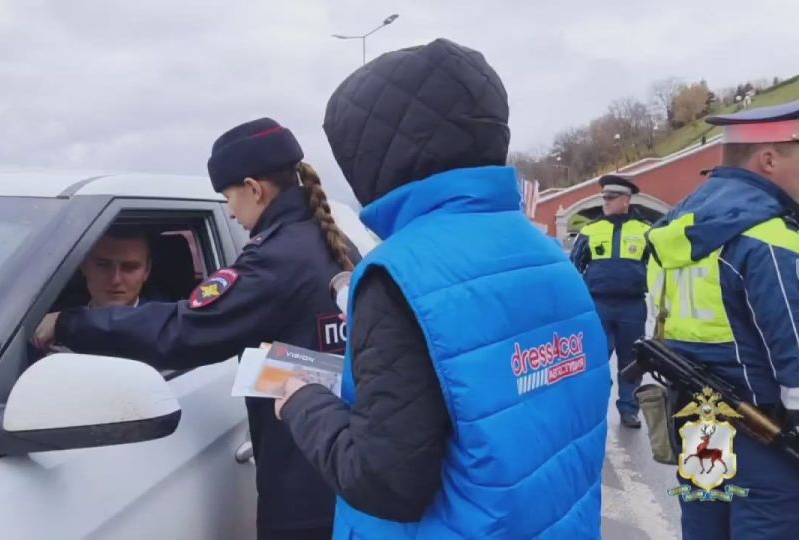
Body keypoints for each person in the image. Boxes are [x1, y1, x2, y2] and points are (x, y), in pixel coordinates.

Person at [272, 38, 611, 539]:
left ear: (370, 156)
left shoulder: (398, 275)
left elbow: (385, 482)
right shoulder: (545, 253)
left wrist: (299, 401)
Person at [32, 117, 359, 540]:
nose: (231, 211)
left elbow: (182, 331)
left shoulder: (275, 260)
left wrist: (69, 322)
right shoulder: (331, 243)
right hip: (339, 469)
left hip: (303, 487)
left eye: (228, 197)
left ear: (254, 188)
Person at [644, 100, 799, 539]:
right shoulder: (769, 239)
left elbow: (656, 327)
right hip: (768, 442)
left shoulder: (676, 231)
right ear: (768, 160)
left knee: (704, 527)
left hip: (698, 423)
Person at [570, 175, 652, 429]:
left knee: (631, 360)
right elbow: (574, 266)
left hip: (632, 305)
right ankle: (593, 409)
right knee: (595, 358)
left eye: (612, 198)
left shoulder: (646, 230)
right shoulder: (590, 230)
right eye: (604, 197)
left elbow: (659, 267)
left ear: (626, 200)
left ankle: (629, 409)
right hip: (598, 305)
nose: (606, 202)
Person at [80, 226, 154, 308]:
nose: (116, 280)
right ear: (83, 266)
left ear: (147, 270)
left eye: (129, 268)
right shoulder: (65, 317)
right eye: (103, 265)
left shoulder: (165, 319)